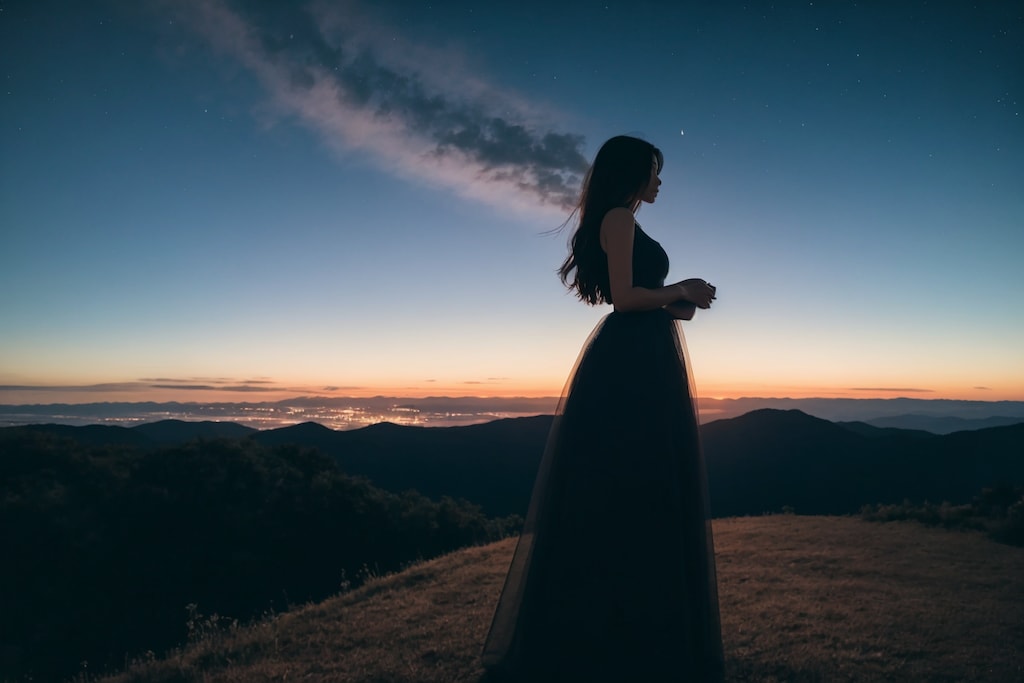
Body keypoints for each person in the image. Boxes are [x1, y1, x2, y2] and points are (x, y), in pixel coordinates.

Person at [481, 135, 724, 682]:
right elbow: (624, 299)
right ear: (632, 174)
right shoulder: (617, 217)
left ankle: (635, 614)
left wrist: (686, 299)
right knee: (626, 478)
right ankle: (612, 628)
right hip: (629, 362)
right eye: (654, 172)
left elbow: (646, 298)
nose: (659, 182)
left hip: (646, 353)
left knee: (643, 479)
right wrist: (676, 288)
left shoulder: (625, 221)